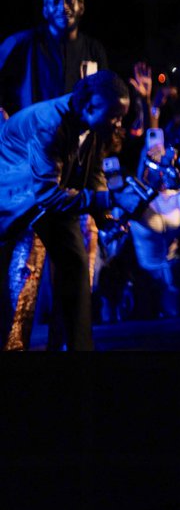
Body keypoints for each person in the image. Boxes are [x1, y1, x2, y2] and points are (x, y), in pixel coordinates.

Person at [0, 70, 131, 350]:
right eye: (115, 117)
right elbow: (47, 195)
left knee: (75, 262)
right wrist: (106, 201)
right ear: (90, 107)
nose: (119, 124)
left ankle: (75, 348)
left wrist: (104, 217)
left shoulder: (95, 123)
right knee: (18, 281)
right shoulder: (49, 125)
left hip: (46, 195)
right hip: (16, 198)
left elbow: (94, 171)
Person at [0, 0, 108, 117]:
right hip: (34, 133)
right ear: (45, 11)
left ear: (81, 7)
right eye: (55, 2)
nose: (63, 7)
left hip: (78, 134)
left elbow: (105, 93)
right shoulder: (22, 43)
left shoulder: (94, 49)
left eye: (69, 0)